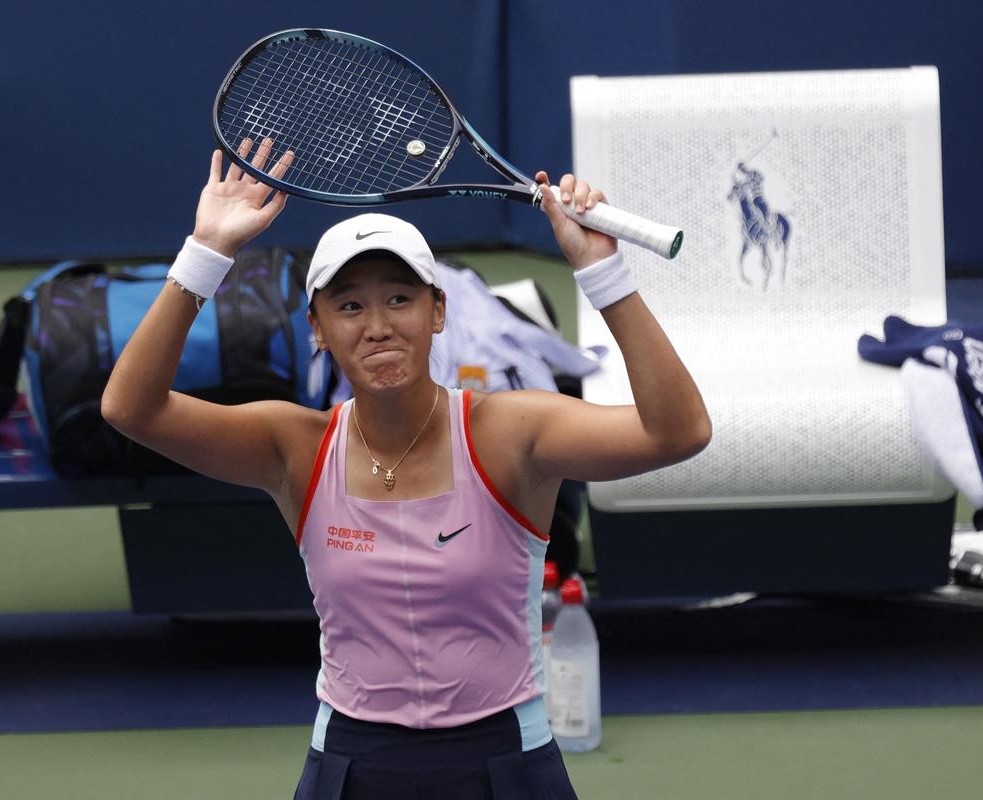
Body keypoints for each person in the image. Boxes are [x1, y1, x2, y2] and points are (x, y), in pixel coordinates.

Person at [101, 137, 712, 799]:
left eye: (399, 298)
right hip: (352, 764)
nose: (378, 325)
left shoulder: (511, 433)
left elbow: (678, 432)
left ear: (438, 311)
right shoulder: (295, 449)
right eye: (350, 305)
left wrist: (603, 274)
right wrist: (207, 251)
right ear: (318, 328)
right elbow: (130, 408)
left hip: (505, 758)